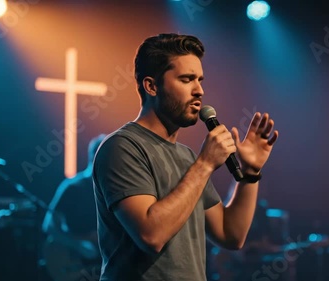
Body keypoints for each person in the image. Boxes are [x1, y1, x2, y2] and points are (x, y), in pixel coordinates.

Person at [92, 33, 279, 281]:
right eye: (186, 79)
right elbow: (151, 236)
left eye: (200, 80)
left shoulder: (187, 157)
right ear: (151, 86)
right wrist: (204, 165)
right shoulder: (122, 147)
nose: (199, 91)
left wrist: (250, 173)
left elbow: (230, 234)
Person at [42, 134, 106, 279]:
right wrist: (77, 245)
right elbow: (49, 226)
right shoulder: (73, 187)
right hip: (74, 262)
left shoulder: (110, 190)